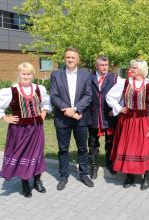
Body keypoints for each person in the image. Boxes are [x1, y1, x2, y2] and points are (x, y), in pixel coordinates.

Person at [0, 62, 51, 198]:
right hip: (19, 130)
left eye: (29, 74)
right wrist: (6, 118)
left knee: (37, 154)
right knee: (23, 154)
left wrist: (44, 113)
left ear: (33, 75)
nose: (26, 76)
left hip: (36, 128)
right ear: (19, 74)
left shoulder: (39, 89)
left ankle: (37, 180)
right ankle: (24, 183)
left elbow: (46, 103)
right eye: (23, 73)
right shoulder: (11, 90)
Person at [106, 59, 149, 190]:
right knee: (127, 147)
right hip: (127, 120)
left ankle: (145, 176)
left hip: (143, 121)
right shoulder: (124, 82)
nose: (131, 69)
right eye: (131, 67)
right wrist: (118, 108)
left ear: (140, 69)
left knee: (143, 148)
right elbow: (110, 96)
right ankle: (129, 176)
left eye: (134, 68)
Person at [50, 47, 94, 190]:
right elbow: (54, 96)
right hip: (62, 119)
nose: (70, 60)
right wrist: (68, 111)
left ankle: (83, 174)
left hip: (80, 117)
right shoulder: (56, 75)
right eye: (68, 57)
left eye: (73, 57)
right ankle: (63, 176)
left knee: (82, 148)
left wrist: (75, 109)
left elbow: (88, 96)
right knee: (63, 149)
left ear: (78, 60)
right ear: (64, 58)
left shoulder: (86, 75)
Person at [88, 56, 119, 178]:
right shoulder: (89, 78)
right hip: (93, 116)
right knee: (92, 142)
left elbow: (121, 95)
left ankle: (110, 163)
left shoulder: (115, 78)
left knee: (110, 142)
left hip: (109, 116)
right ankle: (93, 165)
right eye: (102, 65)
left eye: (106, 65)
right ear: (96, 66)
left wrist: (115, 109)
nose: (105, 67)